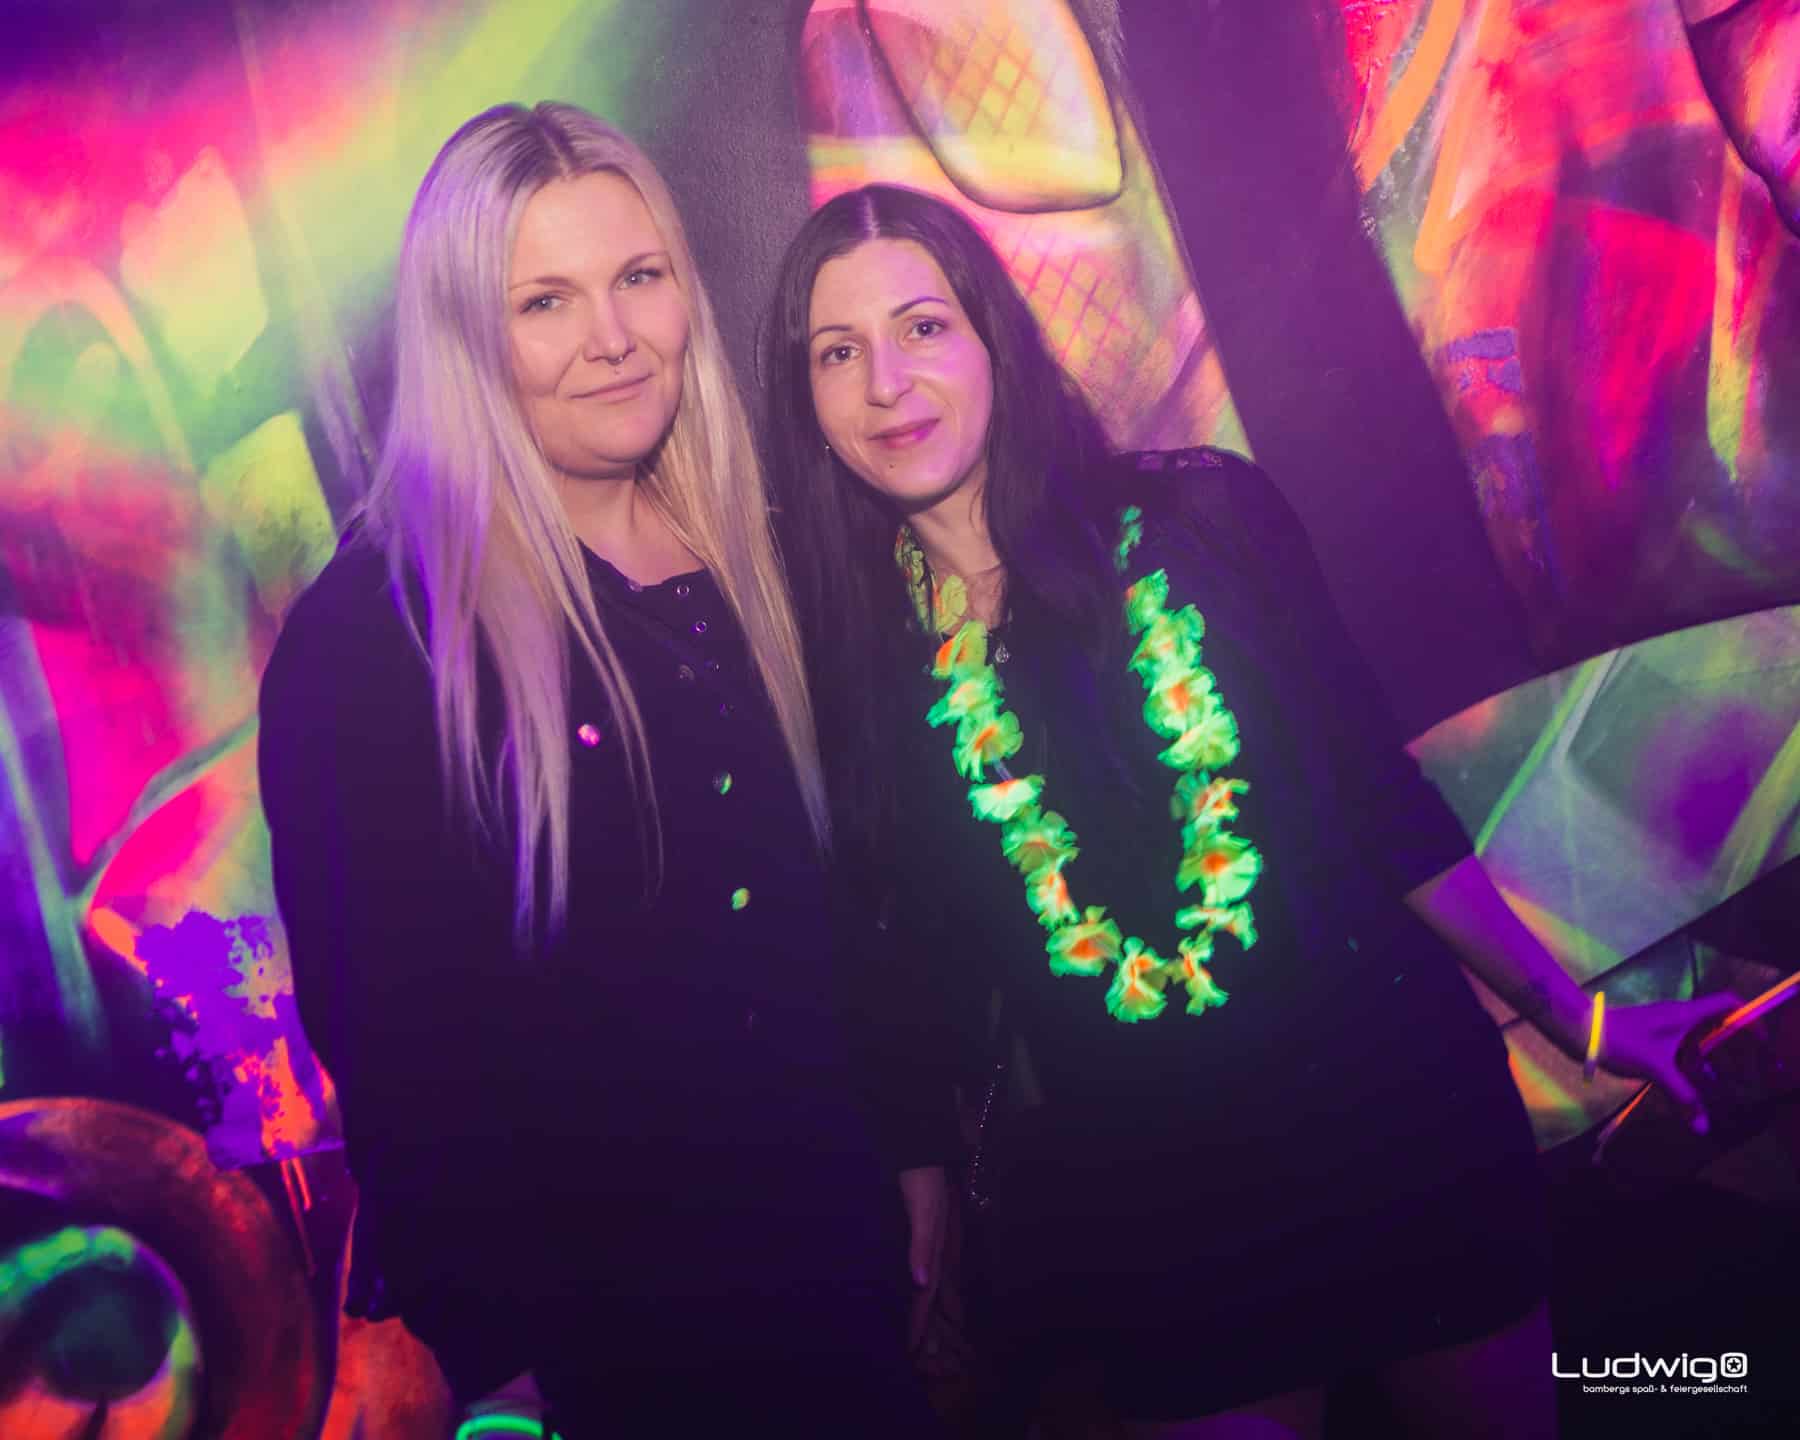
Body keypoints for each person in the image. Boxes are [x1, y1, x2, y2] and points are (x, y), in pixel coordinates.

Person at [761, 183, 1741, 1438]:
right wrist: (923, 1187)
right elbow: (910, 976)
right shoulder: (859, 678)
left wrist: (1581, 1016)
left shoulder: (1204, 520)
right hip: (1168, 1224)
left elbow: (1380, 801)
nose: (887, 383)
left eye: (922, 327)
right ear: (806, 401)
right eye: (837, 353)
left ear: (991, 335)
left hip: (1395, 1136)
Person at [259, 108, 939, 1436]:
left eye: (638, 276)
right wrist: (503, 1368)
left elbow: (850, 912)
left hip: (837, 1280)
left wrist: (910, 1148)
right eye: (545, 301)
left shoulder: (756, 559)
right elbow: (401, 1052)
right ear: (465, 340)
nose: (614, 336)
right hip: (613, 1354)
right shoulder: (381, 639)